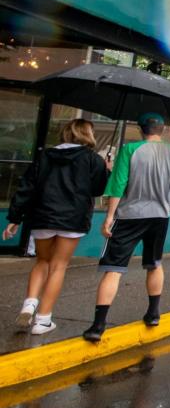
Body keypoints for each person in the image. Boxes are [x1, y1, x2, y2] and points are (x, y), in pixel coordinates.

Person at [81, 113, 170, 342]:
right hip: (160, 217)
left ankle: (98, 326)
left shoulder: (130, 150)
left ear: (142, 129)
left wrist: (109, 216)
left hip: (129, 215)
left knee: (113, 268)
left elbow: (118, 184)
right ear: (161, 130)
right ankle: (153, 313)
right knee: (154, 264)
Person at [4, 120, 110, 335]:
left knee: (42, 261)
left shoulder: (45, 156)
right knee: (58, 266)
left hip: (42, 217)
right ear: (87, 134)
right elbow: (98, 190)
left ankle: (30, 303)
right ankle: (43, 320)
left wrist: (15, 218)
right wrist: (105, 170)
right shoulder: (93, 159)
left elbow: (27, 187)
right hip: (72, 219)